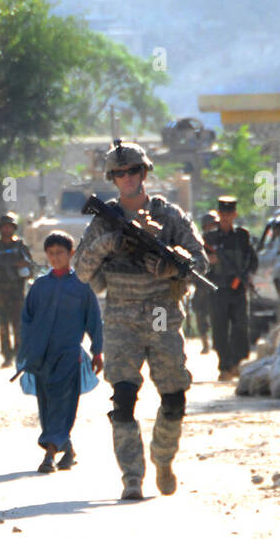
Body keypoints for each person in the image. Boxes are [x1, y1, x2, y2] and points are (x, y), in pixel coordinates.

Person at [74, 139, 208, 500]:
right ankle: (132, 476)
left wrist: (171, 264)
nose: (127, 178)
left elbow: (201, 262)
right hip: (121, 316)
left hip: (162, 311)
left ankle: (163, 458)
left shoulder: (169, 216)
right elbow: (82, 271)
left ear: (144, 172)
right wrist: (110, 242)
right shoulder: (104, 222)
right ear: (112, 179)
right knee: (123, 398)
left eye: (133, 170)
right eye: (119, 173)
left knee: (174, 396)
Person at [16, 232, 103, 472]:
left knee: (64, 403)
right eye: (51, 253)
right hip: (41, 357)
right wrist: (26, 353)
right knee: (47, 405)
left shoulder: (82, 286)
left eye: (60, 253)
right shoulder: (39, 286)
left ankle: (50, 454)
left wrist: (97, 352)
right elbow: (27, 321)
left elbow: (94, 321)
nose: (55, 258)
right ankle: (67, 448)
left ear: (71, 254)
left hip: (68, 356)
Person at [204, 197, 258, 381]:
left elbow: (252, 259)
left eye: (230, 214)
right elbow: (198, 261)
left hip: (237, 289)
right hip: (217, 289)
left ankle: (238, 362)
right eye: (223, 214)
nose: (226, 217)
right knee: (219, 328)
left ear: (235, 214)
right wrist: (209, 262)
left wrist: (248, 275)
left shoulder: (242, 236)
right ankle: (225, 366)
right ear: (218, 214)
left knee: (241, 326)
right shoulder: (210, 238)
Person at [0, 213, 35, 364]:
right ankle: (7, 355)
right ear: (0, 228)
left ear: (14, 228)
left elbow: (30, 266)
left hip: (16, 292)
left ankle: (18, 354)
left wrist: (19, 264)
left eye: (9, 226)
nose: (7, 229)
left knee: (18, 325)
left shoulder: (20, 246)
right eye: (4, 226)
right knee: (3, 326)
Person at [190, 212, 219, 353]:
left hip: (219, 285)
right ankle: (205, 343)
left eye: (214, 225)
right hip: (202, 285)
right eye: (209, 225)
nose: (212, 228)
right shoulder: (199, 243)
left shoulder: (222, 241)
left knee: (218, 315)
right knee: (201, 314)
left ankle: (217, 342)